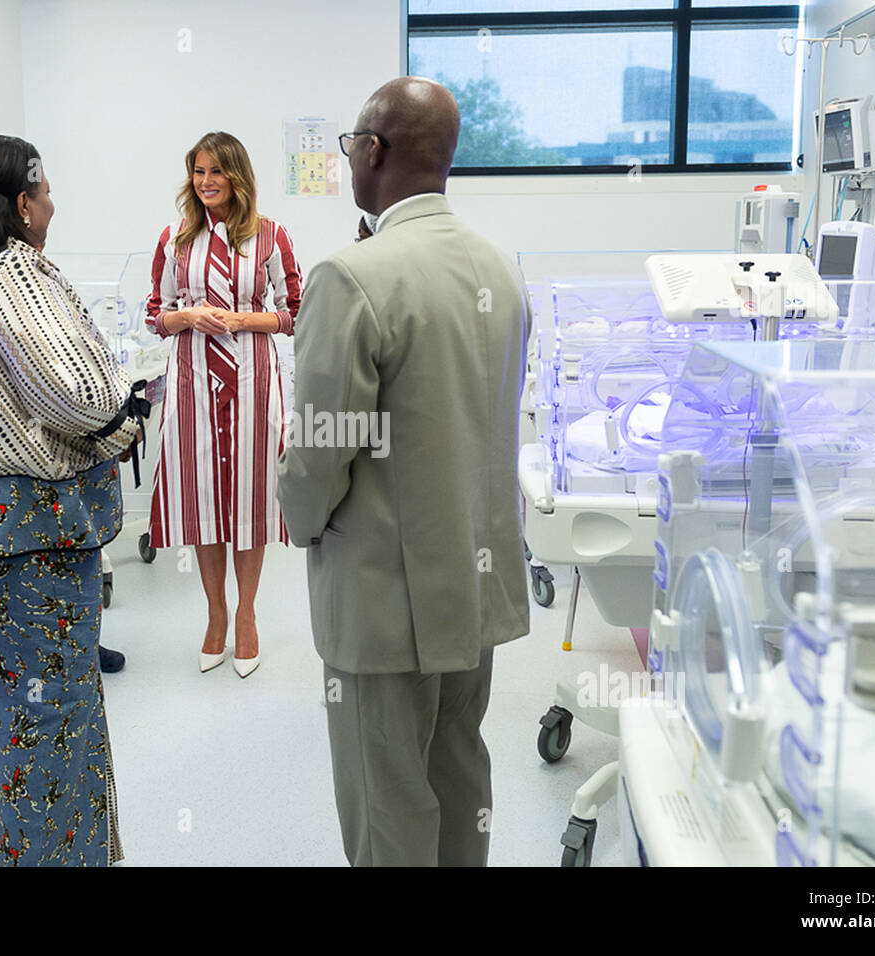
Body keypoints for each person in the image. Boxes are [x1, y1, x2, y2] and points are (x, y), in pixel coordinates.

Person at [277, 77, 531, 866]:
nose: (349, 156)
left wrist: (298, 518)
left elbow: (322, 448)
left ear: (373, 150)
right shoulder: (500, 270)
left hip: (385, 605)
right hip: (473, 585)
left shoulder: (353, 276)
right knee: (458, 776)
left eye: (352, 143)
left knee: (388, 807)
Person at [0, 134, 146, 865]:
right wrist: (136, 406)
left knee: (15, 716)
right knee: (56, 717)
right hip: (34, 539)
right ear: (21, 204)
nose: (54, 203)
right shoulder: (14, 272)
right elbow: (79, 395)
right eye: (45, 191)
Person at [144, 131, 303, 679]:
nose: (206, 181)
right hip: (191, 384)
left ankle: (248, 613)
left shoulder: (270, 237)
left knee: (250, 499)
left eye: (216, 171)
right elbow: (155, 314)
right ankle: (215, 614)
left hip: (254, 383)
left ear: (238, 176)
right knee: (205, 499)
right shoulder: (174, 239)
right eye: (198, 171)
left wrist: (238, 319)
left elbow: (294, 313)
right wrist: (188, 316)